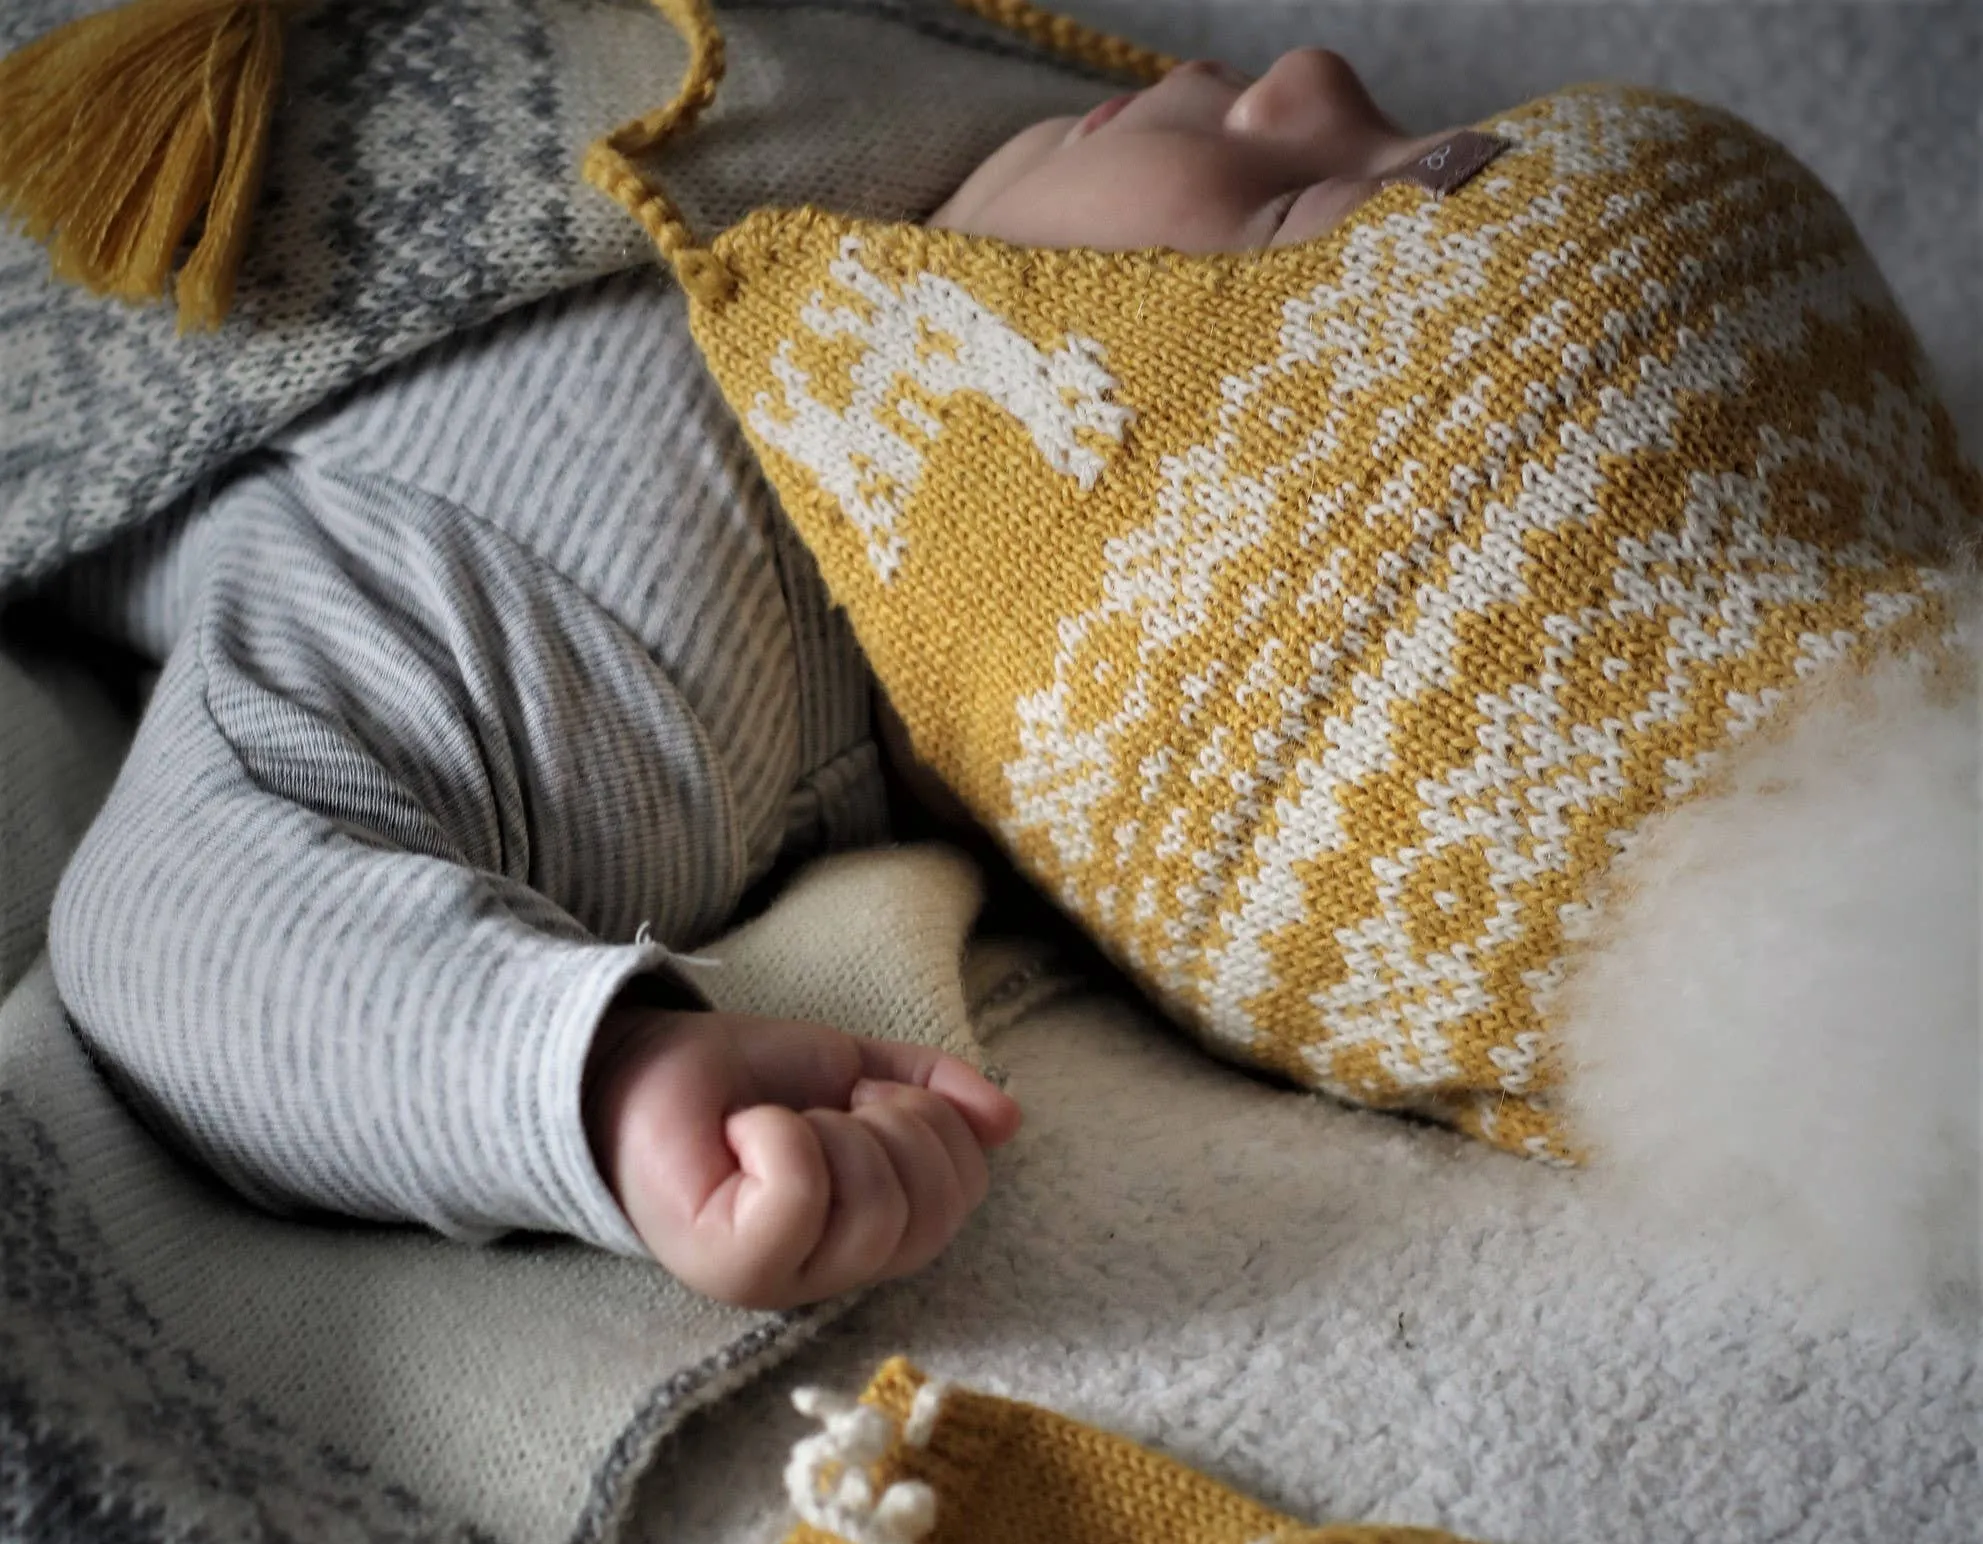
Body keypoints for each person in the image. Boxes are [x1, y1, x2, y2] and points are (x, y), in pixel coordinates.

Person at [40, 43, 1486, 1312]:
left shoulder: (622, 666)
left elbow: (189, 924)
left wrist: (599, 1082)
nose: (1314, 76)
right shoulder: (977, 188)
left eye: (1300, 203)